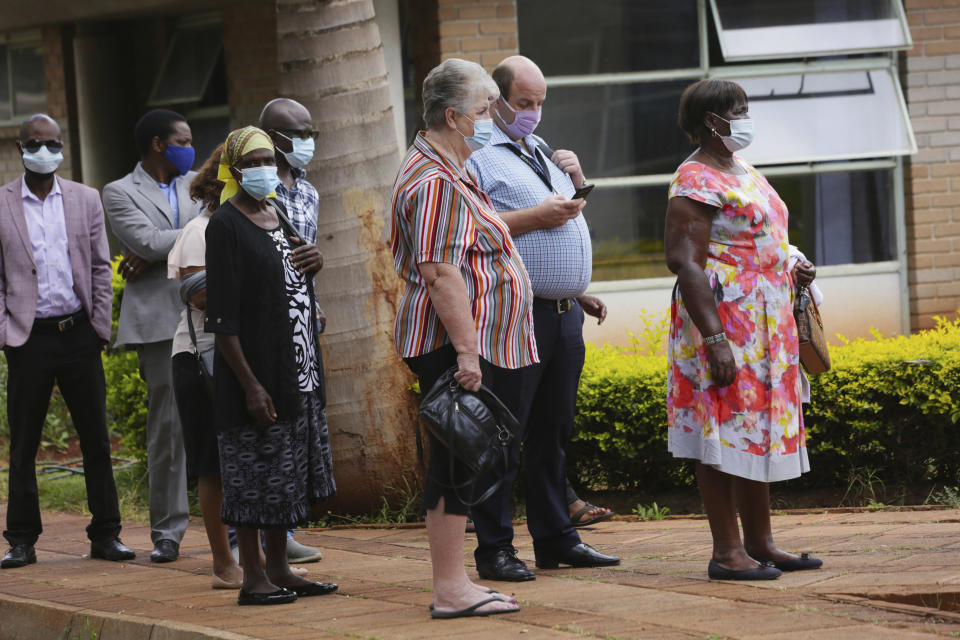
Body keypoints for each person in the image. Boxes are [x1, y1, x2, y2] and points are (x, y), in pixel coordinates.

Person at [464, 55, 619, 582]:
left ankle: (556, 539)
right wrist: (538, 216)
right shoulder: (477, 158)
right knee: (504, 434)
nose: (533, 113)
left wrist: (578, 291)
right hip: (513, 316)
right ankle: (495, 548)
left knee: (553, 433)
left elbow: (563, 228)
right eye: (523, 104)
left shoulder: (542, 153)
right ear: (496, 103)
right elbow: (473, 229)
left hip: (561, 314)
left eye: (539, 104)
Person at [391, 57, 533, 618]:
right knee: (455, 463)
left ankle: (456, 584)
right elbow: (440, 271)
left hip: (461, 340)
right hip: (451, 342)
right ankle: (450, 588)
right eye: (481, 110)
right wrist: (470, 352)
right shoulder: (432, 181)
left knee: (461, 461)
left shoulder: (451, 167)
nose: (490, 117)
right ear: (452, 116)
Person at [664, 78, 822, 580]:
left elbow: (762, 236)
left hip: (765, 323)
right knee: (721, 429)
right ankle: (726, 552)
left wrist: (791, 262)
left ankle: (761, 543)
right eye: (740, 110)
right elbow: (684, 261)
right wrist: (715, 341)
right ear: (714, 121)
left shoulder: (740, 168)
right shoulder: (694, 179)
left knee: (756, 428)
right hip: (725, 321)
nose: (747, 117)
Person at [204, 126, 336, 606]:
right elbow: (222, 318)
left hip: (295, 368)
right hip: (255, 373)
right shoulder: (226, 224)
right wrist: (251, 386)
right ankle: (253, 575)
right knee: (253, 476)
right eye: (254, 161)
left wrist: (314, 262)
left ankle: (280, 567)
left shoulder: (276, 212)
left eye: (268, 159)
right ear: (236, 170)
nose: (265, 168)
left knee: (286, 475)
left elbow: (291, 274)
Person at [0, 114, 135, 568]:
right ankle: (20, 539)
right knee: (24, 444)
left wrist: (99, 327)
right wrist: (6, 334)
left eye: (53, 143)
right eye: (36, 143)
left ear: (62, 149)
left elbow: (100, 267)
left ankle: (106, 534)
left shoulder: (84, 198)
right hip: (28, 339)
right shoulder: (1, 203)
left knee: (96, 438)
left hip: (77, 333)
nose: (45, 151)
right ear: (21, 149)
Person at [103, 109, 202, 564]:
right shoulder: (119, 192)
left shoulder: (200, 182)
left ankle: (243, 528)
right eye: (183, 139)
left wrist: (159, 246)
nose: (191, 146)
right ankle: (168, 532)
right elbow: (142, 241)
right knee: (168, 428)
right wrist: (180, 239)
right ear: (159, 144)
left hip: (211, 314)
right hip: (160, 325)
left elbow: (157, 245)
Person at [167, 144, 244, 588]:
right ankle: (222, 562)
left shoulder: (252, 225)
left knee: (248, 459)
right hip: (202, 360)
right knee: (213, 464)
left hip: (245, 356)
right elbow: (201, 296)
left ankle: (256, 554)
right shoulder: (200, 230)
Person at [257, 97, 326, 565]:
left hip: (304, 324)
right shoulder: (250, 195)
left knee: (300, 427)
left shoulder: (309, 192)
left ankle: (285, 530)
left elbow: (307, 258)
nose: (305, 142)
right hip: (265, 326)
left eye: (310, 134)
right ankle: (257, 536)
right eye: (296, 134)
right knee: (267, 428)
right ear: (273, 138)